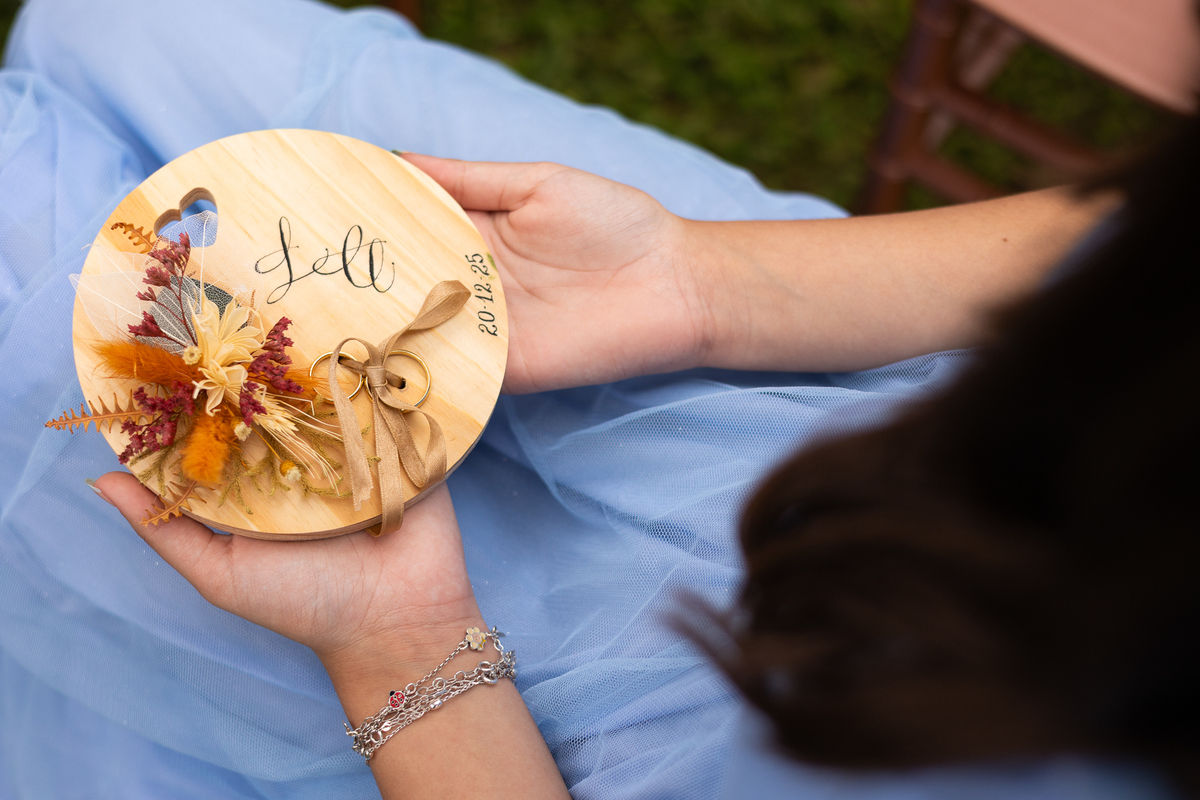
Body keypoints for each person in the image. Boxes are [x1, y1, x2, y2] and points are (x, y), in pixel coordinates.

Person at [0, 0, 1165, 798]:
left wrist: (401, 643)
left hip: (541, 720)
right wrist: (704, 279)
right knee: (122, 22)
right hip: (847, 344)